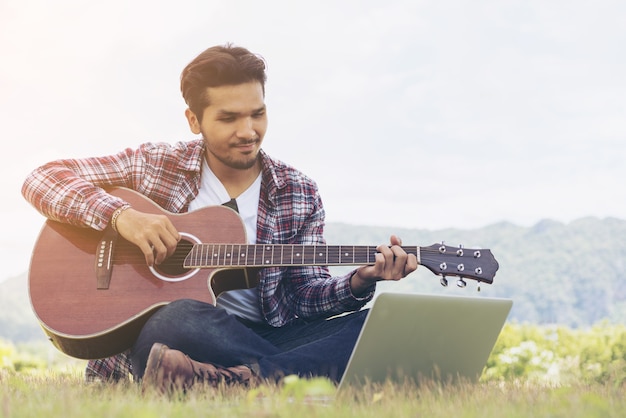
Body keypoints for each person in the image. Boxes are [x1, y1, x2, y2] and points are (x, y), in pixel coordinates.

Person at [21, 44, 418, 392]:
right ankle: (293, 378)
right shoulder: (157, 164)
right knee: (175, 316)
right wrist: (121, 217)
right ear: (194, 121)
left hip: (267, 336)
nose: (248, 131)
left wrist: (360, 280)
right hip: (182, 334)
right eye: (229, 118)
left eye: (257, 114)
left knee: (381, 327)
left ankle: (237, 381)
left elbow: (303, 293)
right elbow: (43, 178)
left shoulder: (298, 190)